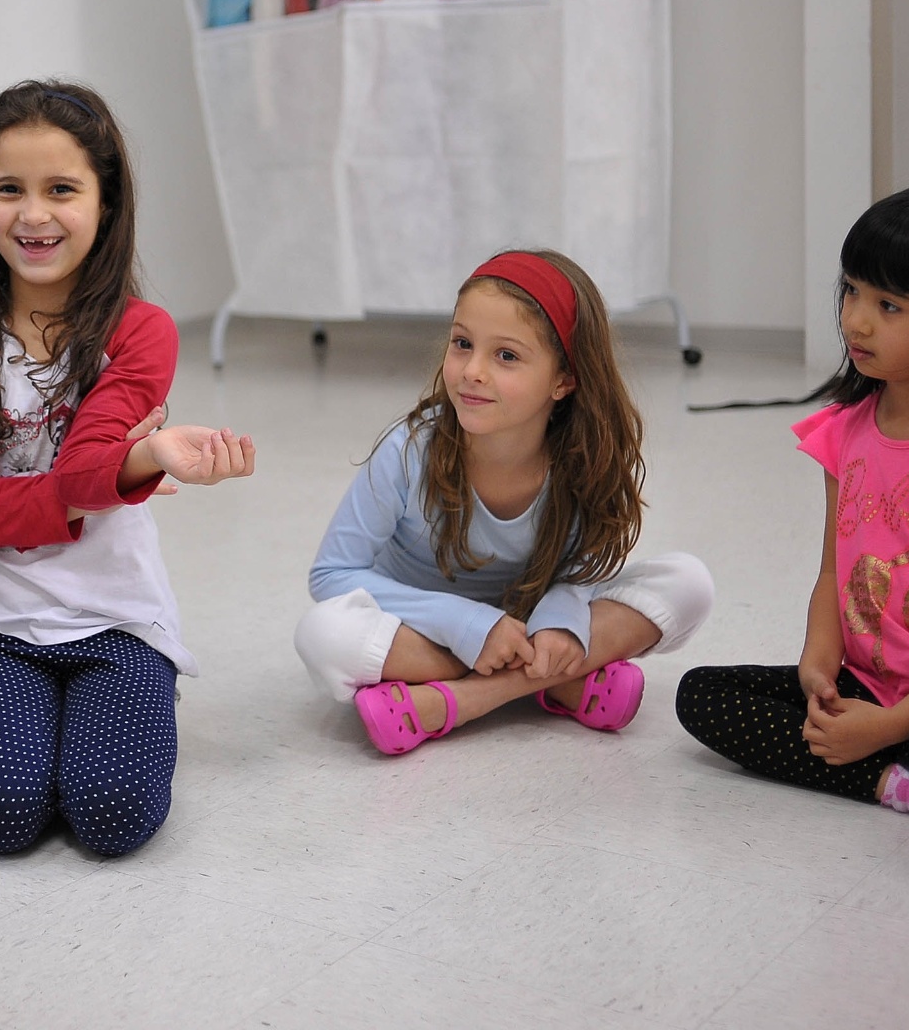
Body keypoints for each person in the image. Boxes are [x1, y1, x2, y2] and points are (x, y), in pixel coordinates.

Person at [0, 80, 256, 856]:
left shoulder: (141, 332)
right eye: (10, 189)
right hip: (3, 626)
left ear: (105, 203)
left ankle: (135, 698)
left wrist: (137, 459)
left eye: (61, 190)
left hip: (119, 622)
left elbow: (78, 473)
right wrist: (111, 477)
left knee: (111, 815)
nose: (33, 215)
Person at [677, 182, 909, 860]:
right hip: (872, 681)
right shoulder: (845, 431)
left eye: (889, 305)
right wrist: (818, 664)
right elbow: (833, 573)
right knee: (701, 696)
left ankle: (884, 753)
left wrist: (896, 723)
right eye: (852, 291)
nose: (855, 321)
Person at [295, 250, 713, 753]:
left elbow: (580, 570)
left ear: (564, 379)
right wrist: (468, 625)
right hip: (423, 629)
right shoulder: (408, 450)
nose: (472, 371)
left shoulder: (584, 458)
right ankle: (553, 680)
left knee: (689, 582)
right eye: (462, 343)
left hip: (526, 621)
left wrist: (560, 621)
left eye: (506, 356)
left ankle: (461, 699)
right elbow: (333, 573)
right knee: (322, 633)